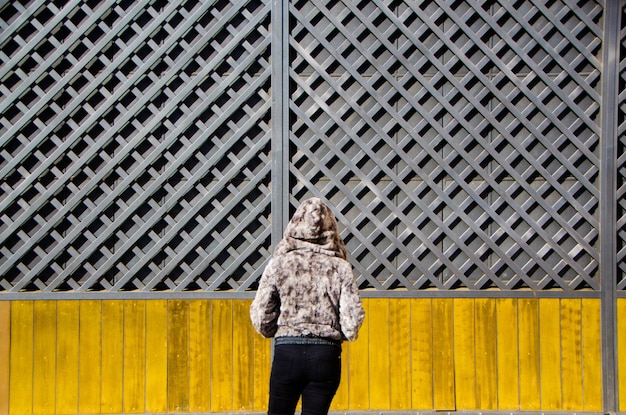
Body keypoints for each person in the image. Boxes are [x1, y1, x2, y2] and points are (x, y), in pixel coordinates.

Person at [250, 197, 365, 415]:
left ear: (294, 224)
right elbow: (352, 319)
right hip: (325, 353)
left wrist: (271, 330)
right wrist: (343, 333)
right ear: (331, 227)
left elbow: (262, 312)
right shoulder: (340, 266)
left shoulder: (280, 263)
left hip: (287, 351)